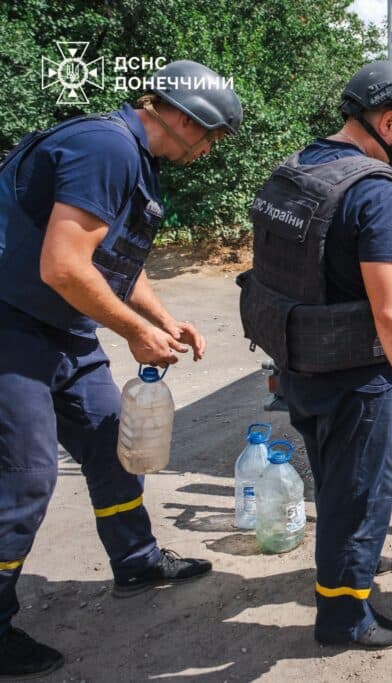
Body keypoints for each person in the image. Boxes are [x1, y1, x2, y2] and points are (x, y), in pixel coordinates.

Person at [0, 60, 242, 677]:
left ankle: (135, 559)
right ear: (184, 119)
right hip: (12, 328)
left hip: (64, 330)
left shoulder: (135, 160)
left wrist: (160, 318)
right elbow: (62, 265)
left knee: (114, 446)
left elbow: (112, 261)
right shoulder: (105, 146)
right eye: (212, 137)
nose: (211, 150)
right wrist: (134, 332)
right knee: (26, 477)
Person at [240, 61, 392, 650]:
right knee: (360, 492)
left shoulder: (300, 166)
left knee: (335, 481)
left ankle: (349, 568)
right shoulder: (373, 192)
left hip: (299, 359)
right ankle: (343, 616)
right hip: (355, 374)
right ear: (386, 122)